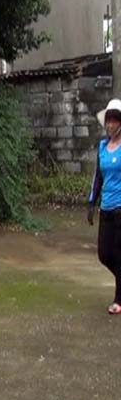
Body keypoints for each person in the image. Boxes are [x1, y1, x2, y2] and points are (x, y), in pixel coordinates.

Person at [88, 98, 121, 314]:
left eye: (114, 121)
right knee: (104, 254)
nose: (110, 125)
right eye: (108, 121)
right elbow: (98, 178)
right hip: (106, 208)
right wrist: (92, 203)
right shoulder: (102, 147)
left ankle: (118, 299)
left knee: (118, 253)